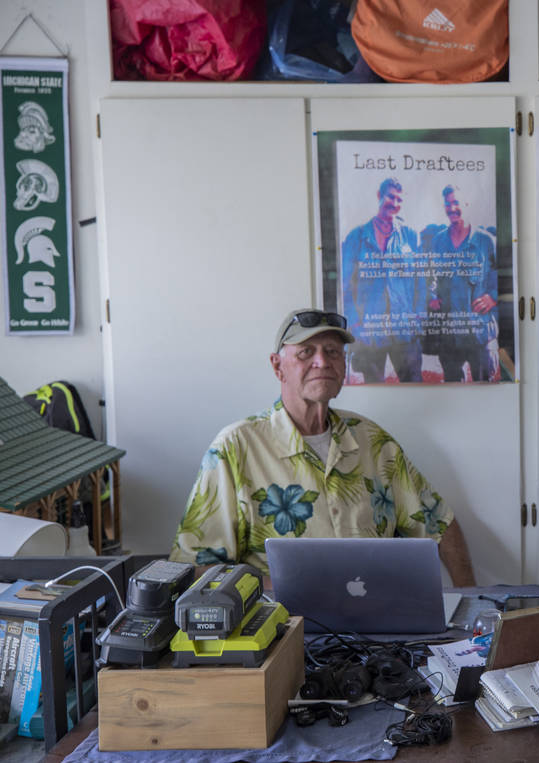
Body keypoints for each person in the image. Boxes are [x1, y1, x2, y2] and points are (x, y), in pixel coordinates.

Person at [170, 308, 475, 586]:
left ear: (344, 366)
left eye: (332, 352)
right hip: (282, 631)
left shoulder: (374, 442)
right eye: (305, 353)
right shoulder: (235, 448)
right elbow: (195, 567)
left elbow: (439, 524)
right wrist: (283, 588)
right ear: (278, 367)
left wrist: (470, 600)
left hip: (378, 630)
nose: (322, 362)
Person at [339, 177, 426, 383]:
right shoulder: (357, 236)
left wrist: (418, 316)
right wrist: (354, 322)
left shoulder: (409, 236)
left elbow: (420, 281)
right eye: (390, 197)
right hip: (370, 330)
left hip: (404, 329)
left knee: (415, 385)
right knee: (374, 386)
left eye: (399, 200)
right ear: (379, 196)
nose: (394, 204)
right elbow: (345, 286)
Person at [421, 185, 498, 382]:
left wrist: (492, 297)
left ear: (467, 204)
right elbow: (431, 276)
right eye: (447, 203)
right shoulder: (438, 242)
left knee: (484, 387)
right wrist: (431, 297)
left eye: (456, 202)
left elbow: (502, 277)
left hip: (478, 332)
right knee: (453, 388)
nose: (451, 208)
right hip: (449, 335)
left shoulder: (485, 241)